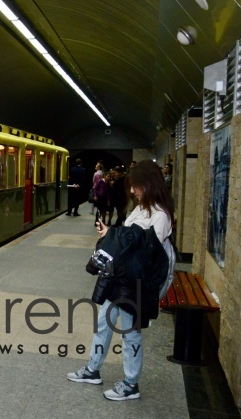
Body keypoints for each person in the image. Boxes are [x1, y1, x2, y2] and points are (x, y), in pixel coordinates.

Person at [67, 160, 176, 401]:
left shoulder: (161, 215)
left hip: (138, 282)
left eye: (135, 186)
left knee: (130, 332)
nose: (132, 191)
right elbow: (130, 238)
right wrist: (110, 233)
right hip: (122, 276)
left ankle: (131, 383)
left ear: (148, 184)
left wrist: (116, 235)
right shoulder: (141, 208)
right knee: (105, 322)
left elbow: (149, 251)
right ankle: (92, 369)